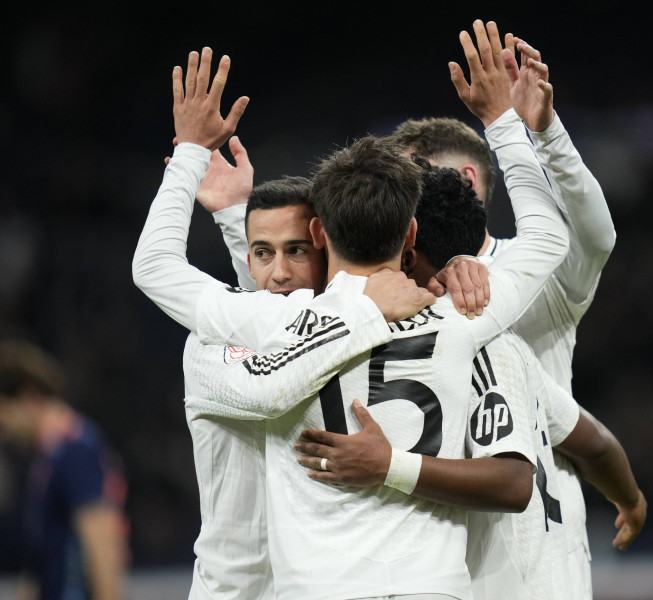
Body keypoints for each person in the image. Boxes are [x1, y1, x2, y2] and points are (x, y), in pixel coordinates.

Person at [133, 46, 569, 599]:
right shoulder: (462, 314)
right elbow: (550, 236)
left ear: (318, 235)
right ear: (409, 236)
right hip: (432, 588)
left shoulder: (277, 322)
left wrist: (192, 149)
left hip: (319, 588)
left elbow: (155, 267)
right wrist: (503, 122)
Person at [392, 20, 617, 598]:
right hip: (430, 544)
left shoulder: (538, 266)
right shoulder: (390, 285)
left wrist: (541, 130)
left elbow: (596, 234)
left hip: (537, 543)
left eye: (407, 179)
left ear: (464, 178)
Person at [0, 340, 128, 600]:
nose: (5, 431)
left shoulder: (76, 448)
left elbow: (101, 543)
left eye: (4, 414)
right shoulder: (47, 455)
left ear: (29, 398)